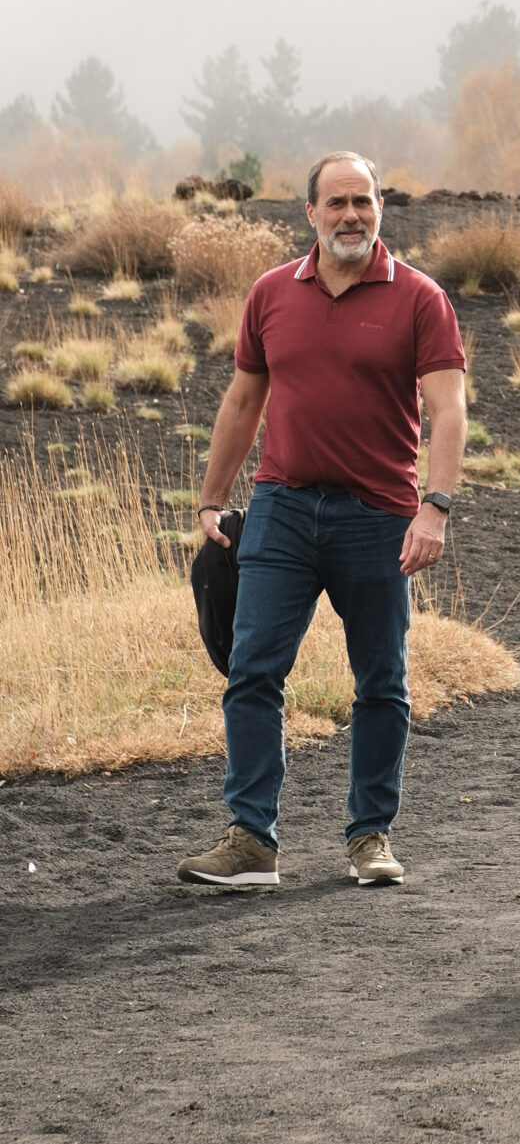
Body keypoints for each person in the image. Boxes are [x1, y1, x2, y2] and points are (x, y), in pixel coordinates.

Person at [177, 153, 468, 891]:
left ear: (380, 208)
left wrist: (434, 507)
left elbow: (447, 410)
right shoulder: (271, 292)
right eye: (336, 202)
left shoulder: (420, 298)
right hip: (280, 505)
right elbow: (243, 402)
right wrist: (210, 499)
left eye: (362, 201)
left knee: (382, 681)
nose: (350, 215)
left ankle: (370, 835)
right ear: (309, 212)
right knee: (252, 671)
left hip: (379, 514)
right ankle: (252, 841)